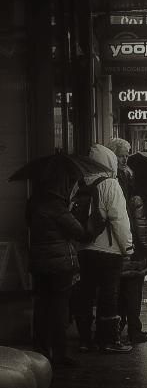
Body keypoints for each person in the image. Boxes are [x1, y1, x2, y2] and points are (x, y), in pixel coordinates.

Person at [74, 144, 135, 354]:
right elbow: (119, 220)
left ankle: (84, 339)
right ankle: (109, 338)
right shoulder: (111, 184)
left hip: (84, 249)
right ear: (110, 162)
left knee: (86, 293)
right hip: (108, 251)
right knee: (109, 295)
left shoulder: (80, 183)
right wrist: (128, 248)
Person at [26, 173, 85, 369]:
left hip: (38, 262)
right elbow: (78, 231)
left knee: (41, 308)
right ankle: (59, 355)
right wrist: (71, 210)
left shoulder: (32, 204)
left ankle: (41, 353)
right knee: (59, 309)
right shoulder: (56, 205)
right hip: (59, 265)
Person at [105, 137, 147, 345]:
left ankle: (122, 327)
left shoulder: (116, 180)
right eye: (122, 155)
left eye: (126, 154)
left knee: (120, 291)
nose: (125, 158)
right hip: (127, 244)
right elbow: (132, 221)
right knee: (131, 290)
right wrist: (140, 248)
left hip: (119, 244)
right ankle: (132, 329)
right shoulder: (121, 183)